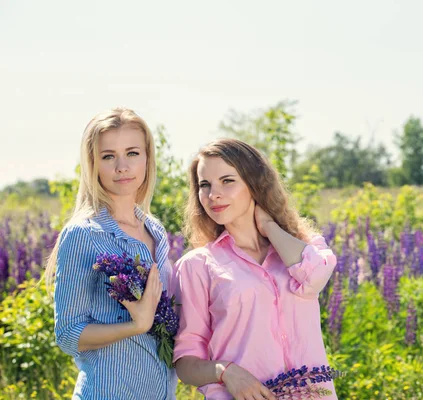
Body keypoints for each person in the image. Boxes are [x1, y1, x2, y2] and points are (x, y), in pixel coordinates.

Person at [173, 138, 338, 400]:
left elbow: (315, 277)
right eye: (205, 185)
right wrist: (226, 372)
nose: (213, 194)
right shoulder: (197, 266)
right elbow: (185, 362)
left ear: (254, 184)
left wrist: (270, 227)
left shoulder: (300, 248)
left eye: (227, 181)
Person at [45, 107, 177, 399]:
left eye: (132, 153)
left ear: (147, 158)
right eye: (108, 156)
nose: (122, 166)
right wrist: (136, 325)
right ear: (93, 165)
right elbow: (68, 335)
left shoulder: (155, 229)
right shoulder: (84, 234)